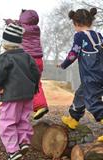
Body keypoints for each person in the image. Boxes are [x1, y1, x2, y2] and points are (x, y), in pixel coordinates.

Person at [0, 23, 40, 160]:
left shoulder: (5, 57)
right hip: (27, 95)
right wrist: (35, 87)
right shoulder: (27, 57)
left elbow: (1, 73)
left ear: (6, 43)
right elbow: (35, 73)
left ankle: (13, 150)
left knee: (7, 121)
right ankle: (23, 141)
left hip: (11, 95)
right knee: (23, 119)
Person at [57, 8, 103, 142]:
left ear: (76, 23)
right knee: (81, 94)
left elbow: (73, 53)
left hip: (91, 76)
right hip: (98, 75)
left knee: (92, 102)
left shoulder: (79, 36)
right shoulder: (98, 35)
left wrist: (64, 64)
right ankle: (73, 119)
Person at [4, 9, 49, 120]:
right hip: (39, 60)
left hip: (28, 60)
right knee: (36, 83)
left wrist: (9, 21)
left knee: (24, 83)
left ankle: (24, 106)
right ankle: (41, 106)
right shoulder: (36, 29)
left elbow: (16, 27)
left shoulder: (23, 29)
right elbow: (21, 25)